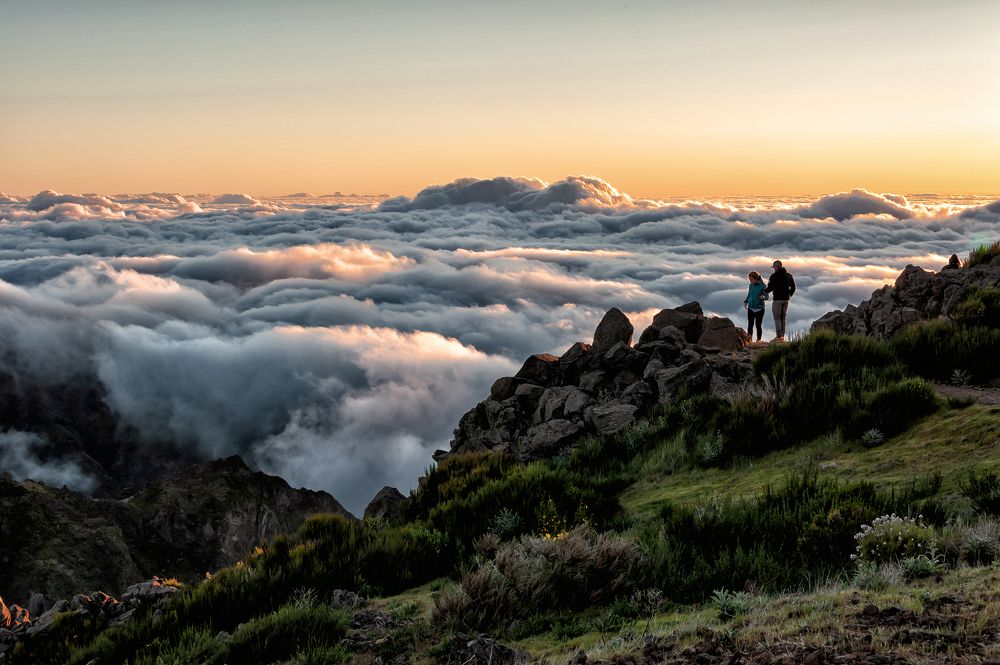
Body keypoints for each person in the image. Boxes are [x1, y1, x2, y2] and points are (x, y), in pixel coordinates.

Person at [764, 259, 795, 342]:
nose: (773, 269)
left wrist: (763, 291)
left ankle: (778, 337)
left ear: (777, 267)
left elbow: (770, 288)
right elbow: (793, 287)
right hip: (786, 300)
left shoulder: (774, 276)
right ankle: (782, 337)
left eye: (774, 267)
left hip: (777, 299)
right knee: (783, 318)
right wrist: (789, 295)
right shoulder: (789, 275)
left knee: (777, 318)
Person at [743, 271, 768, 342]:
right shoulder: (751, 285)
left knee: (758, 325)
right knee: (750, 325)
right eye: (749, 279)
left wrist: (763, 297)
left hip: (759, 309)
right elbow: (749, 294)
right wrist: (746, 301)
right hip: (751, 308)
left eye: (751, 279)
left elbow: (767, 296)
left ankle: (758, 340)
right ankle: (749, 340)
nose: (750, 281)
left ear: (756, 278)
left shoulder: (763, 286)